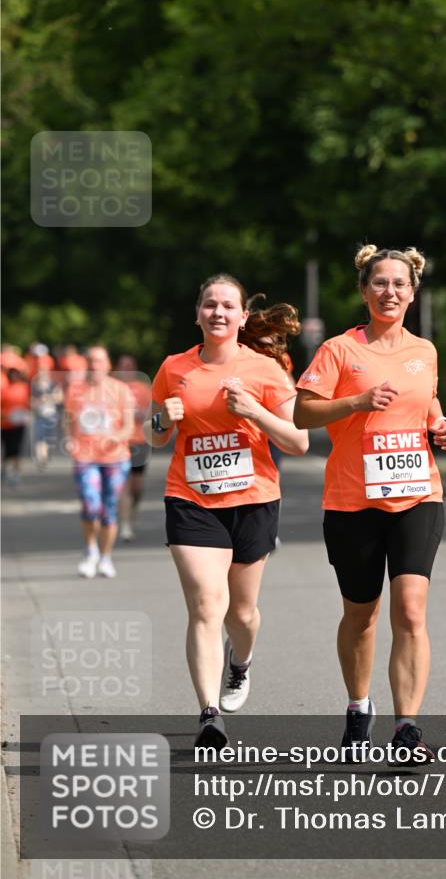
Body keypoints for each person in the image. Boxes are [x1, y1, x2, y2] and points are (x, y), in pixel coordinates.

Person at [294, 244, 446, 761]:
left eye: (400, 284)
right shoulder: (340, 350)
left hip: (417, 494)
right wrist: (357, 402)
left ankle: (407, 728)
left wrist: (440, 424)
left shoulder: (425, 350)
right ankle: (359, 708)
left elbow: (427, 398)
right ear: (364, 291)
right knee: (361, 616)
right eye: (380, 283)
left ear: (413, 292)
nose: (390, 292)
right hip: (352, 500)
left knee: (410, 611)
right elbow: (303, 413)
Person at [146, 275, 308, 749]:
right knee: (205, 605)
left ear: (241, 317)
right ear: (197, 314)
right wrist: (163, 419)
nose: (218, 312)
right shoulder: (174, 368)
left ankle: (240, 661)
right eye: (209, 305)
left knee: (242, 613)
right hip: (191, 498)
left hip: (253, 500)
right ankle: (209, 715)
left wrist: (254, 412)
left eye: (227, 306)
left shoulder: (265, 370)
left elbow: (298, 441)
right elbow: (155, 436)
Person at [64, 345, 135, 578]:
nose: (95, 365)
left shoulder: (121, 390)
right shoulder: (75, 390)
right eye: (91, 361)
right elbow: (69, 420)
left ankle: (105, 557)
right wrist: (69, 440)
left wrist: (117, 438)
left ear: (108, 365)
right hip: (86, 457)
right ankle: (91, 550)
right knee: (90, 503)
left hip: (115, 458)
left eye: (99, 361)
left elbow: (128, 426)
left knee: (109, 509)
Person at [115, 354, 153, 541]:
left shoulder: (143, 388)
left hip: (140, 441)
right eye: (123, 366)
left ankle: (132, 509)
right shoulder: (112, 389)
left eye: (130, 366)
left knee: (137, 486)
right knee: (124, 484)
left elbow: (152, 412)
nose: (126, 369)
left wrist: (140, 413)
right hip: (120, 442)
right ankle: (125, 525)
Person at [1, 367, 31, 486]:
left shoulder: (24, 388)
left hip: (18, 424)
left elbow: (28, 403)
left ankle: (15, 474)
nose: (13, 377)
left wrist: (27, 413)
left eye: (15, 375)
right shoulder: (4, 390)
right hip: (5, 424)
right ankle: (3, 470)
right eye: (11, 375)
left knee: (16, 450)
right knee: (5, 450)